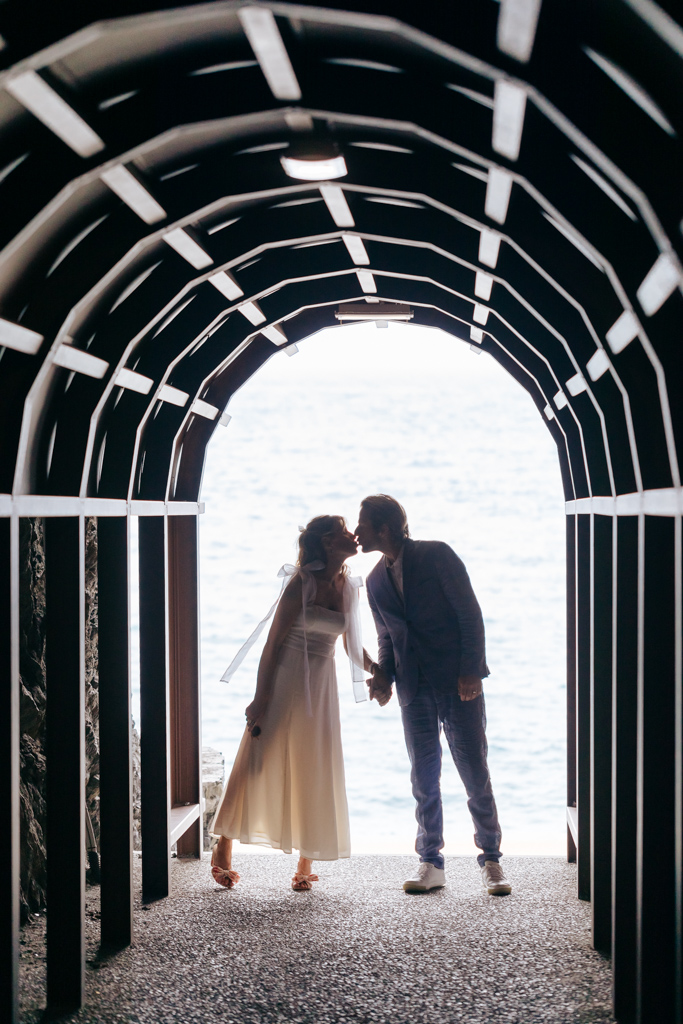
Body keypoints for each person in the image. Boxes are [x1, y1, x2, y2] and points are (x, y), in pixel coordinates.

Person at [356, 494, 511, 896]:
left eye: (364, 524)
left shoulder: (438, 555)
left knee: (474, 770)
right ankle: (430, 862)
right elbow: (387, 638)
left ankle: (491, 860)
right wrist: (383, 678)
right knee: (424, 777)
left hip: (457, 683)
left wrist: (470, 670)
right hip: (413, 688)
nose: (357, 532)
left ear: (385, 528)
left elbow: (469, 614)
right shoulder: (373, 581)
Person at [210, 515, 374, 892]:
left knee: (314, 760)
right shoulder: (302, 583)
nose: (352, 535)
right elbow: (272, 643)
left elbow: (352, 646)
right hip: (285, 677)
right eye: (343, 530)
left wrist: (378, 669)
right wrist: (261, 696)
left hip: (320, 686)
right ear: (327, 542)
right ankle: (224, 843)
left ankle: (307, 858)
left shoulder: (348, 586)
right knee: (259, 753)